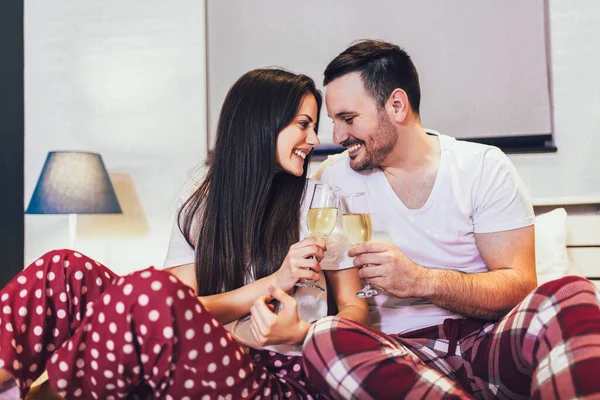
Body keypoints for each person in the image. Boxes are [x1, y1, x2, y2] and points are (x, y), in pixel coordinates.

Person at [0, 68, 368, 399]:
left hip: (284, 376)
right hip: (208, 349)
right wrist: (276, 282)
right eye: (303, 124)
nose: (314, 138)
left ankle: (56, 394)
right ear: (261, 125)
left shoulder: (320, 202)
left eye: (313, 125)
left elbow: (355, 308)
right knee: (63, 268)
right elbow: (180, 304)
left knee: (147, 289)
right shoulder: (201, 204)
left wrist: (304, 331)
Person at [301, 39, 600, 399]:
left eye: (348, 119)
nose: (336, 137)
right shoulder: (334, 181)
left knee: (571, 291)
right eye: (334, 122)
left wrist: (421, 281)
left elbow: (519, 287)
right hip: (399, 357)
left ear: (396, 105)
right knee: (323, 338)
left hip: (488, 344)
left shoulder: (482, 167)